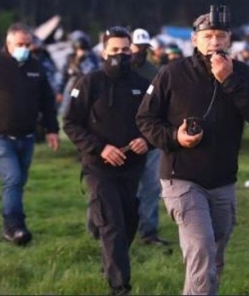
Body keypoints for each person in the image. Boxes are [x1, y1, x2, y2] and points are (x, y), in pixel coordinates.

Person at [136, 5, 249, 295]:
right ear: (194, 39)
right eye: (208, 35)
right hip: (181, 177)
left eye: (221, 35)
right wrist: (175, 137)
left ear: (229, 39)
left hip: (223, 179)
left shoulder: (244, 74)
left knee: (215, 252)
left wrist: (229, 80)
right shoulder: (172, 73)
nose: (215, 42)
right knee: (201, 251)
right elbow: (145, 119)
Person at [63, 26, 151, 295]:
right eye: (115, 50)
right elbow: (70, 122)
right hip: (98, 167)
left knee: (128, 222)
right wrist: (100, 148)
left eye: (126, 50)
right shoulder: (88, 83)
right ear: (104, 52)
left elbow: (154, 122)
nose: (121, 55)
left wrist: (146, 140)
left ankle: (110, 261)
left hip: (132, 166)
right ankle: (119, 286)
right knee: (112, 224)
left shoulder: (142, 85)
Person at [0, 23, 60, 246]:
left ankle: (9, 225)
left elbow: (47, 101)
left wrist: (52, 129)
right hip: (0, 136)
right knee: (13, 180)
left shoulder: (36, 67)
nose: (25, 48)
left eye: (28, 44)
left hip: (27, 136)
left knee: (18, 183)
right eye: (20, 44)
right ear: (8, 44)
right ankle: (16, 227)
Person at [130, 28, 171, 247]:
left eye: (144, 49)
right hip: (124, 139)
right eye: (138, 48)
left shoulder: (153, 72)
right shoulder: (119, 71)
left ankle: (148, 231)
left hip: (150, 137)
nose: (141, 52)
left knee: (151, 187)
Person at [59, 32, 101, 115]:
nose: (81, 52)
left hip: (88, 87)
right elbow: (65, 74)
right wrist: (60, 91)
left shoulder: (92, 58)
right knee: (70, 108)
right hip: (74, 87)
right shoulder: (71, 58)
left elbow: (94, 71)